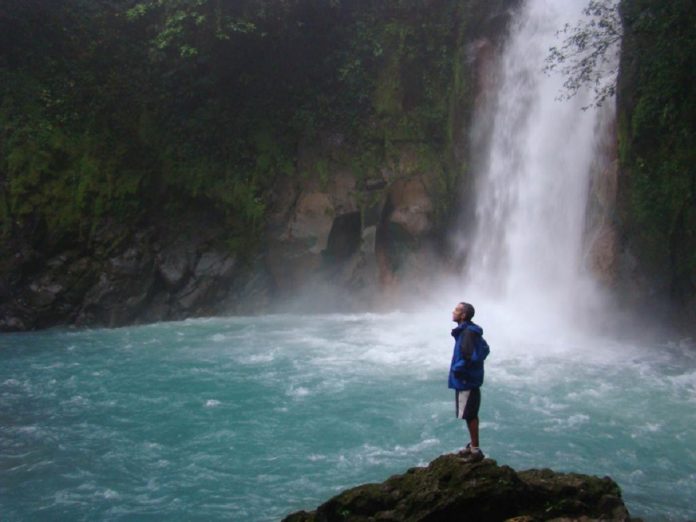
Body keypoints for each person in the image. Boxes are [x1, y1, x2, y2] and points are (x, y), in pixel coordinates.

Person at [448, 301, 489, 463]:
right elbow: (485, 349)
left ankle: (475, 450)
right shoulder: (470, 331)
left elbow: (467, 356)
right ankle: (473, 445)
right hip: (469, 379)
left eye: (457, 310)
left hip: (465, 380)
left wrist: (459, 370)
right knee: (469, 414)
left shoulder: (467, 333)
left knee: (470, 415)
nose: (453, 311)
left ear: (463, 315)